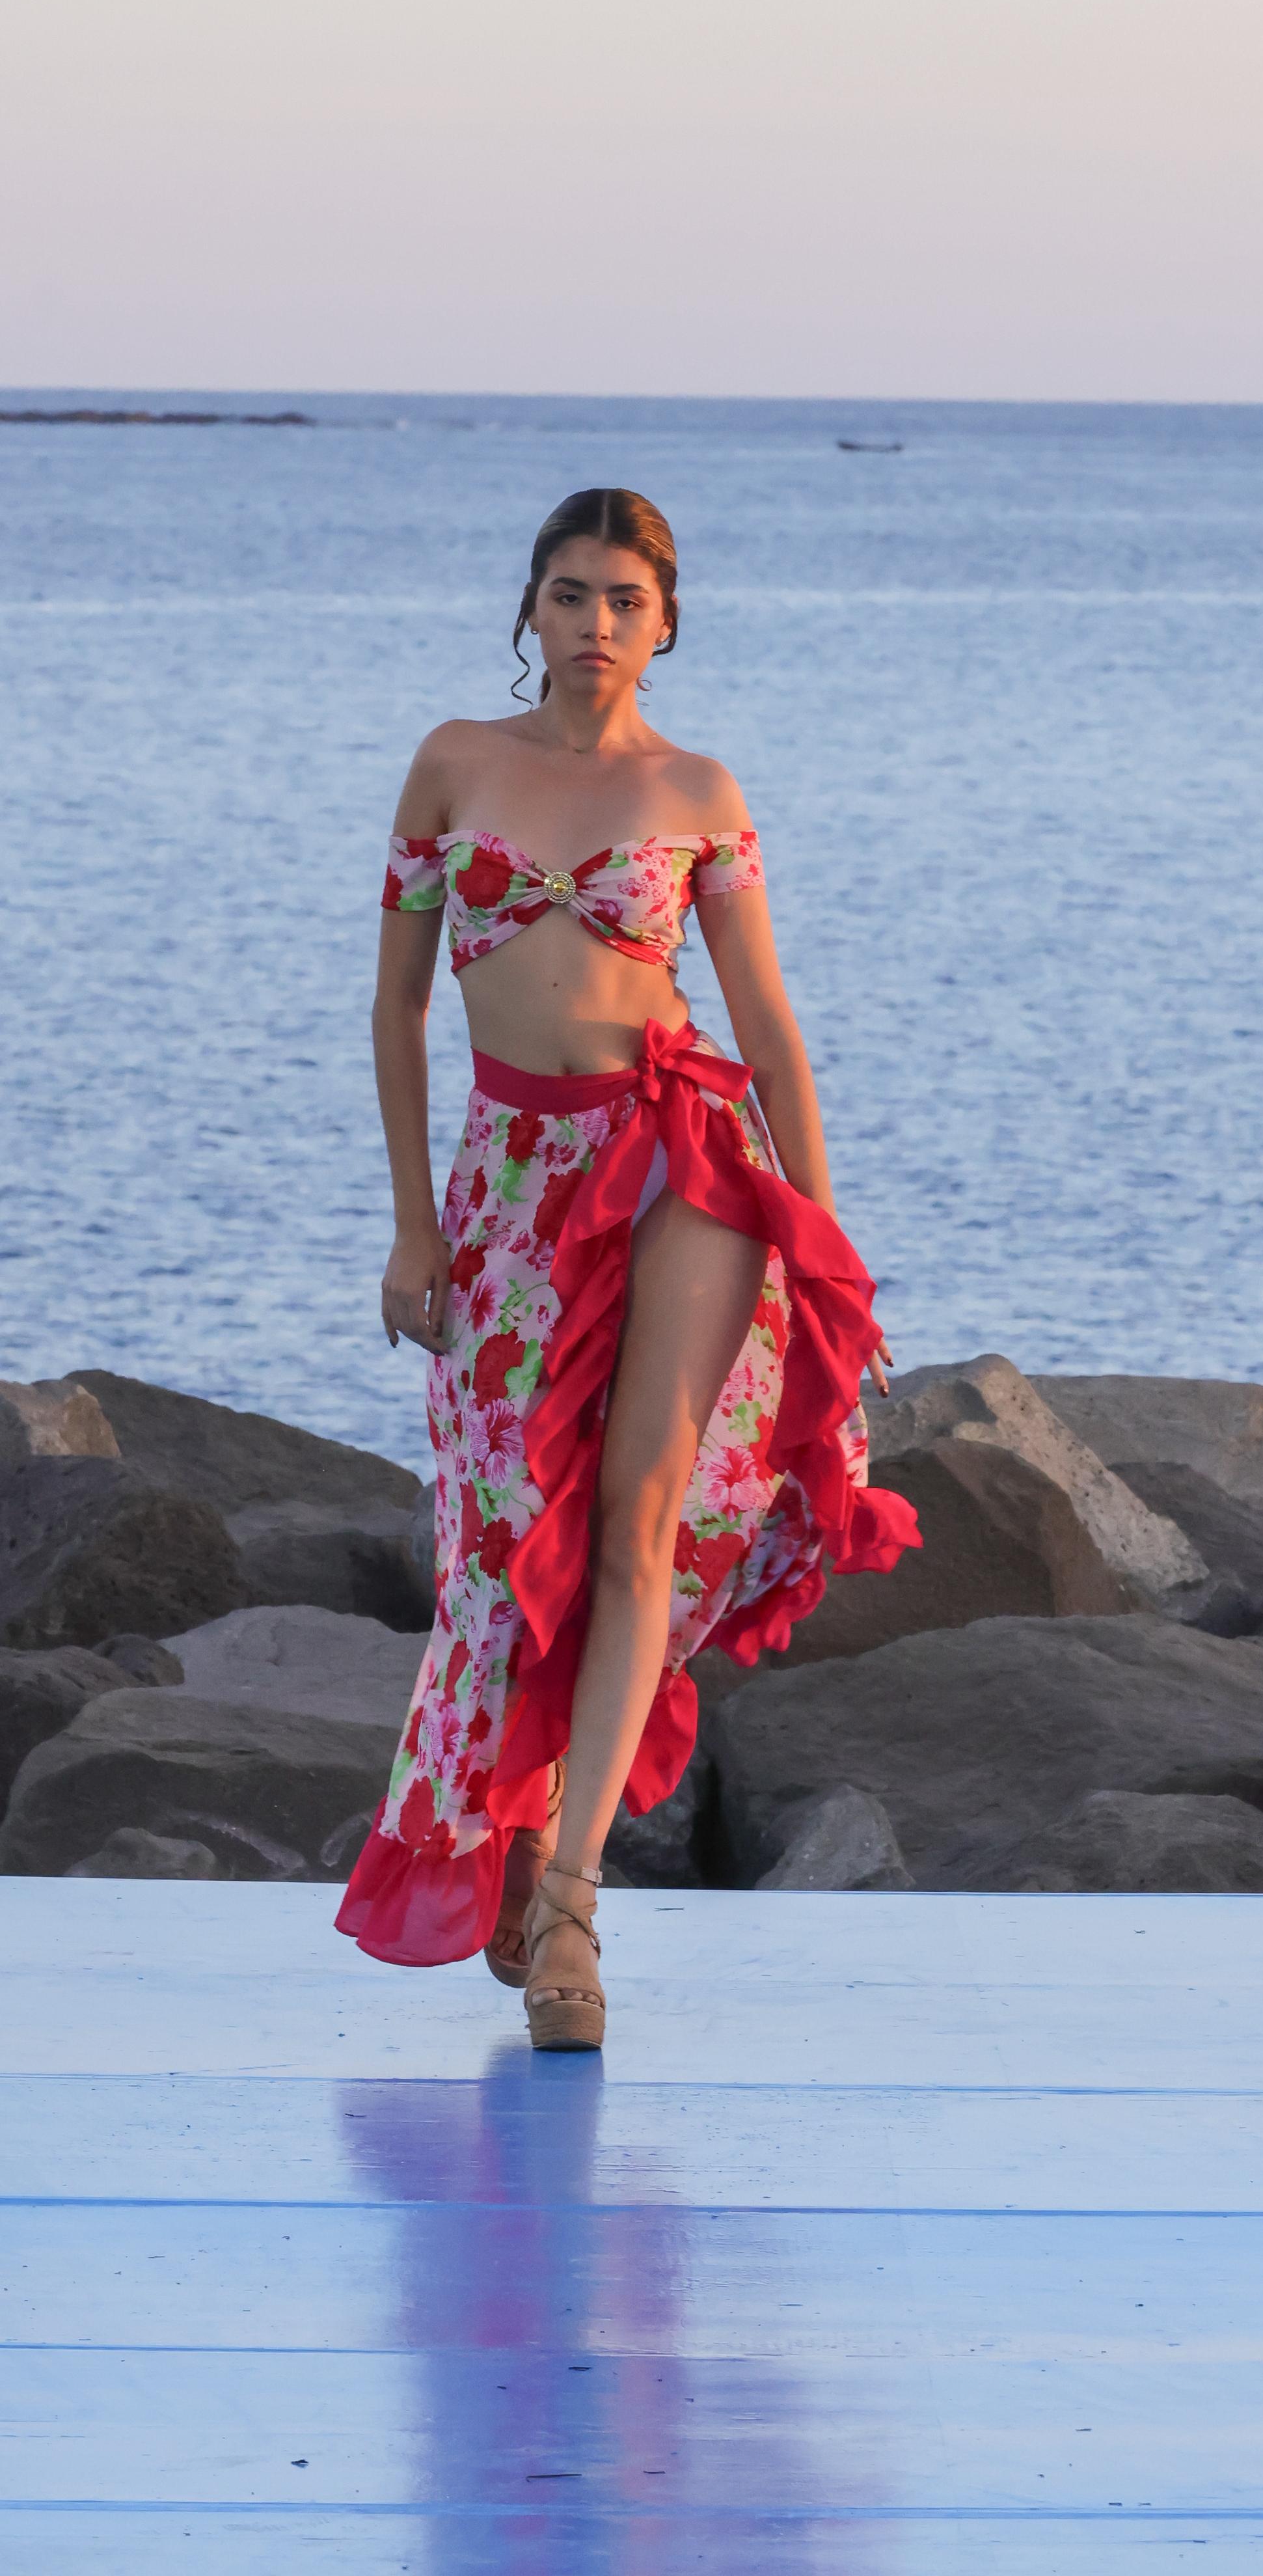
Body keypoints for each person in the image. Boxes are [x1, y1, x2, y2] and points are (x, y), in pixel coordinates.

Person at [336, 487, 919, 2047]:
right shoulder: (452, 765)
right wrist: (411, 1224)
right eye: (570, 594)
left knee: (635, 1519)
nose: (596, 623)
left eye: (625, 600)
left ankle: (576, 1907)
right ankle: (519, 1820)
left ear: (666, 622)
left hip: (678, 1161)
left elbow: (768, 1023)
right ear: (527, 608)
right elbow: (397, 1007)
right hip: (509, 1178)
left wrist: (828, 1243)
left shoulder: (698, 792)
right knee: (498, 1525)